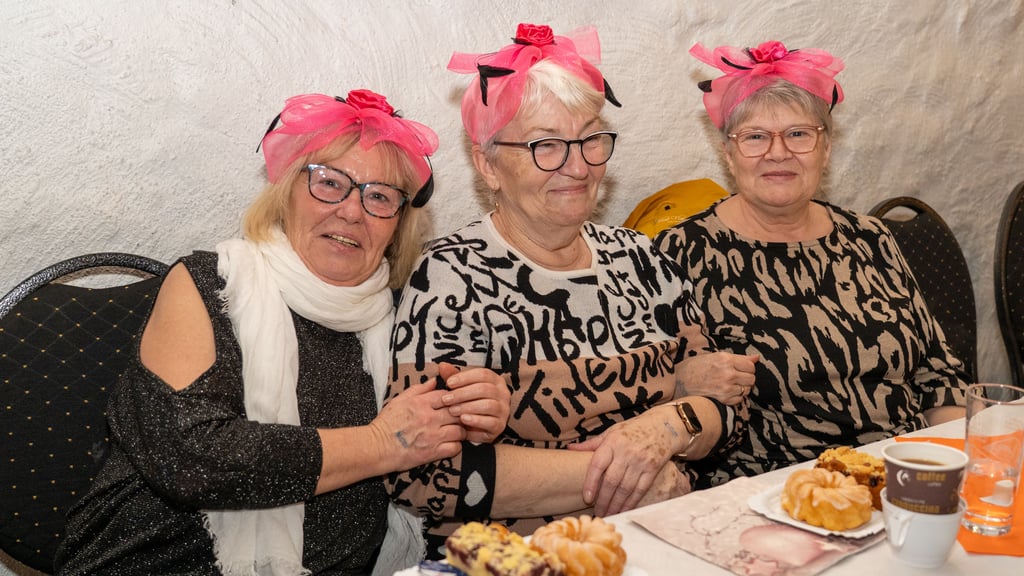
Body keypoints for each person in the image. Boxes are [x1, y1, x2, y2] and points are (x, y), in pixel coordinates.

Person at [54, 90, 510, 576]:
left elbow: (425, 454)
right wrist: (382, 443)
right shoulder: (209, 284)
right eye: (329, 183)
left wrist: (473, 415)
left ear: (399, 224)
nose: (352, 211)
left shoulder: (405, 313)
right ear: (287, 192)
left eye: (379, 196)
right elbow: (193, 458)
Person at [385, 23, 750, 558]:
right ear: (488, 165)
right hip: (522, 557)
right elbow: (424, 472)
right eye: (546, 146)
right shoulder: (452, 276)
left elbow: (728, 407)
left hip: (664, 543)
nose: (578, 167)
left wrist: (668, 427)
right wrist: (632, 469)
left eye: (590, 139)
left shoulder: (641, 257)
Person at [655, 40, 968, 487]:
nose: (778, 152)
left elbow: (938, 377)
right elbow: (654, 390)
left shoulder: (871, 238)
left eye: (799, 134)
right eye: (755, 137)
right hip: (774, 492)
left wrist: (953, 471)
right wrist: (681, 380)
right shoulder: (681, 252)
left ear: (826, 148)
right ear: (728, 153)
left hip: (902, 476)